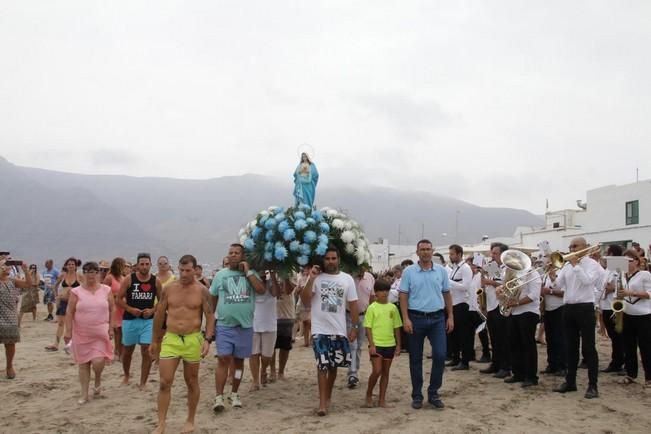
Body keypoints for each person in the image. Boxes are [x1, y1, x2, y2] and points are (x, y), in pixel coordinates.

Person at [150, 255, 214, 434]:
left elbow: (209, 316)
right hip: (171, 338)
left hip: (193, 339)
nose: (184, 274)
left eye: (188, 270)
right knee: (164, 381)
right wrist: (154, 340)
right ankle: (161, 423)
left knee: (192, 381)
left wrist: (208, 340)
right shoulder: (169, 289)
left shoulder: (202, 291)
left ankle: (190, 420)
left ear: (195, 270)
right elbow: (160, 315)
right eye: (181, 270)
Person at [299, 246, 359, 416]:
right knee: (322, 365)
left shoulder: (347, 279)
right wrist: (311, 278)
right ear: (322, 261)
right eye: (327, 259)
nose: (331, 261)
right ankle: (322, 403)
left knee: (333, 366)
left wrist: (354, 327)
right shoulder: (316, 278)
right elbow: (305, 300)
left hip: (339, 329)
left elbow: (353, 304)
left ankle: (328, 396)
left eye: (333, 258)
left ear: (338, 260)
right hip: (319, 330)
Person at [210, 244, 267, 412]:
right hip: (224, 326)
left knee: (239, 362)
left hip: (245, 327)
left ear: (243, 256)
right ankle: (219, 396)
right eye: (230, 253)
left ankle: (234, 393)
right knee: (223, 359)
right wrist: (212, 321)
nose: (233, 255)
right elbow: (213, 298)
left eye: (237, 253)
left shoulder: (251, 275)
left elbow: (261, 290)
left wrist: (248, 272)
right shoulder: (220, 275)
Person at [399, 239, 453, 410]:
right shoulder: (409, 272)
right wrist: (405, 318)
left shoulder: (441, 271)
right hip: (416, 318)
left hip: (437, 318)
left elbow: (447, 293)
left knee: (440, 354)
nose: (425, 252)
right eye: (422, 249)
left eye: (428, 249)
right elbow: (403, 296)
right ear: (417, 252)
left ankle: (433, 392)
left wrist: (450, 316)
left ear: (433, 251)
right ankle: (417, 395)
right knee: (415, 358)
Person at [552, 237, 601, 399]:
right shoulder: (566, 265)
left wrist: (575, 265)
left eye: (575, 246)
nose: (572, 249)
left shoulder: (593, 265)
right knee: (570, 347)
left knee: (588, 348)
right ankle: (570, 382)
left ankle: (592, 385)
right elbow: (559, 285)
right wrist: (553, 275)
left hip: (585, 307)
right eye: (570, 246)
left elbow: (587, 282)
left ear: (585, 248)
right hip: (569, 308)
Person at [64, 261, 114, 404]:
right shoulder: (76, 292)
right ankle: (84, 394)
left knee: (98, 361)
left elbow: (112, 309)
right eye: (87, 272)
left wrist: (111, 327)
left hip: (100, 333)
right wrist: (68, 331)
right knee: (83, 364)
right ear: (83, 273)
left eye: (94, 272)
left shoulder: (106, 290)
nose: (91, 275)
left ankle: (97, 377)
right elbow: (69, 312)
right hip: (81, 333)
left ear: (98, 273)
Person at [117, 252, 162, 390]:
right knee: (127, 351)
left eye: (147, 264)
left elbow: (162, 301)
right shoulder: (129, 279)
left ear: (150, 265)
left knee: (146, 351)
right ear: (137, 265)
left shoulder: (155, 281)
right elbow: (118, 299)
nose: (144, 266)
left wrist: (153, 310)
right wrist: (130, 309)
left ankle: (143, 382)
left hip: (148, 321)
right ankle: (126, 375)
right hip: (130, 320)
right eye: (142, 264)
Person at [499, 253, 542, 387]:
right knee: (514, 343)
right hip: (515, 313)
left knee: (528, 345)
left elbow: (534, 295)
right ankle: (518, 374)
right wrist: (503, 294)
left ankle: (531, 377)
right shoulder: (516, 275)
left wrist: (515, 303)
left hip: (528, 313)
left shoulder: (533, 275)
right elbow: (508, 290)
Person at [364, 279, 402, 408]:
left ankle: (382, 399)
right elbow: (368, 327)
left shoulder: (393, 308)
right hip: (377, 344)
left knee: (386, 372)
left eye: (386, 290)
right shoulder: (372, 308)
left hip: (390, 344)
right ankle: (369, 394)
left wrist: (398, 345)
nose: (384, 293)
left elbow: (397, 327)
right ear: (376, 293)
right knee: (377, 371)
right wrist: (372, 344)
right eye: (381, 291)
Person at [619, 249, 651, 386]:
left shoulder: (644, 274)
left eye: (629, 261)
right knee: (629, 346)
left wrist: (630, 293)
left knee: (646, 347)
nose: (626, 264)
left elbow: (649, 293)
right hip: (627, 314)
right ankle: (631, 374)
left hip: (643, 315)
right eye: (624, 261)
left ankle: (649, 377)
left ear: (637, 261)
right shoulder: (622, 275)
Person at [480, 243, 512, 379]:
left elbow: (509, 285)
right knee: (494, 337)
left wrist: (491, 282)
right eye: (491, 253)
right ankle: (496, 363)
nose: (492, 256)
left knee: (503, 338)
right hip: (492, 306)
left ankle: (505, 367)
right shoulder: (493, 268)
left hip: (502, 306)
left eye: (495, 253)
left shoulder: (508, 269)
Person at [0, 257, 32, 379]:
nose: (6, 267)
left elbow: (28, 284)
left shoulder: (12, 281)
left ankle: (9, 366)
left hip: (10, 316)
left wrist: (26, 270)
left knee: (10, 343)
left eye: (7, 265)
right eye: (3, 265)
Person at [597, 245, 625, 374]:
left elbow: (623, 284)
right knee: (614, 337)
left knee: (618, 337)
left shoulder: (620, 264)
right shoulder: (609, 267)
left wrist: (613, 288)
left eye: (608, 252)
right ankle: (616, 361)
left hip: (614, 306)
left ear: (612, 254)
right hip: (606, 305)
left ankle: (619, 362)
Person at [249, 271, 279, 391]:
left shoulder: (271, 280)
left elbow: (276, 293)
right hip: (252, 322)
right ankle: (255, 381)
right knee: (253, 353)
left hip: (269, 323)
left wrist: (272, 273)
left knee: (267, 355)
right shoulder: (250, 281)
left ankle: (263, 370)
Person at [346, 266, 375, 388]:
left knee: (359, 346)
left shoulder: (370, 277)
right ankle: (352, 374)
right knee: (352, 344)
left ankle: (354, 371)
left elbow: (372, 297)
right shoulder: (349, 277)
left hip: (364, 315)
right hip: (349, 315)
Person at [446, 244, 473, 371]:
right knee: (454, 333)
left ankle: (465, 361)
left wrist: (448, 282)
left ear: (459, 254)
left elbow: (465, 287)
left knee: (464, 334)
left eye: (452, 254)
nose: (450, 256)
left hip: (462, 304)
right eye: (450, 254)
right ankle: (455, 358)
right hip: (453, 303)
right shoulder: (455, 268)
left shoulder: (465, 268)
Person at [46, 257, 81, 351]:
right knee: (61, 323)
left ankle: (73, 344)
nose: (71, 266)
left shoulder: (79, 276)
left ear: (76, 266)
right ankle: (56, 344)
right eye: (69, 264)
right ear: (66, 265)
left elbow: (85, 288)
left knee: (74, 323)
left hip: (75, 303)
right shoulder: (63, 275)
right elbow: (55, 286)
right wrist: (57, 296)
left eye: (73, 264)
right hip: (63, 302)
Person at [540, 260, 567, 376]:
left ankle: (562, 366)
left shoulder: (563, 273)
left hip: (559, 308)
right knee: (550, 339)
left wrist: (550, 290)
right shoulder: (546, 274)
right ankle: (552, 364)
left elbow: (565, 293)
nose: (549, 263)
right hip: (548, 309)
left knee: (560, 339)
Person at [271, 276, 296, 381]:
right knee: (271, 347)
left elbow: (288, 290)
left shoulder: (291, 272)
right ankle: (272, 371)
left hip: (286, 315)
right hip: (270, 315)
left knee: (285, 347)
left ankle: (281, 371)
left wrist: (285, 275)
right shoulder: (268, 272)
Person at [103, 257, 126, 361]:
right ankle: (117, 352)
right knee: (117, 330)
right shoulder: (109, 278)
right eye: (122, 265)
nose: (124, 267)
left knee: (123, 330)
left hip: (123, 306)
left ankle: (121, 352)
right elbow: (103, 292)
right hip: (114, 307)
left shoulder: (123, 278)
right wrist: (115, 295)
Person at [295, 266, 312, 347]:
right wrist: (299, 289)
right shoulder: (300, 278)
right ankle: (306, 342)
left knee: (310, 321)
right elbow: (296, 291)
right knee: (305, 322)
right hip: (302, 302)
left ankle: (312, 338)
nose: (306, 271)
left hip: (311, 302)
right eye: (305, 269)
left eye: (307, 269)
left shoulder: (313, 278)